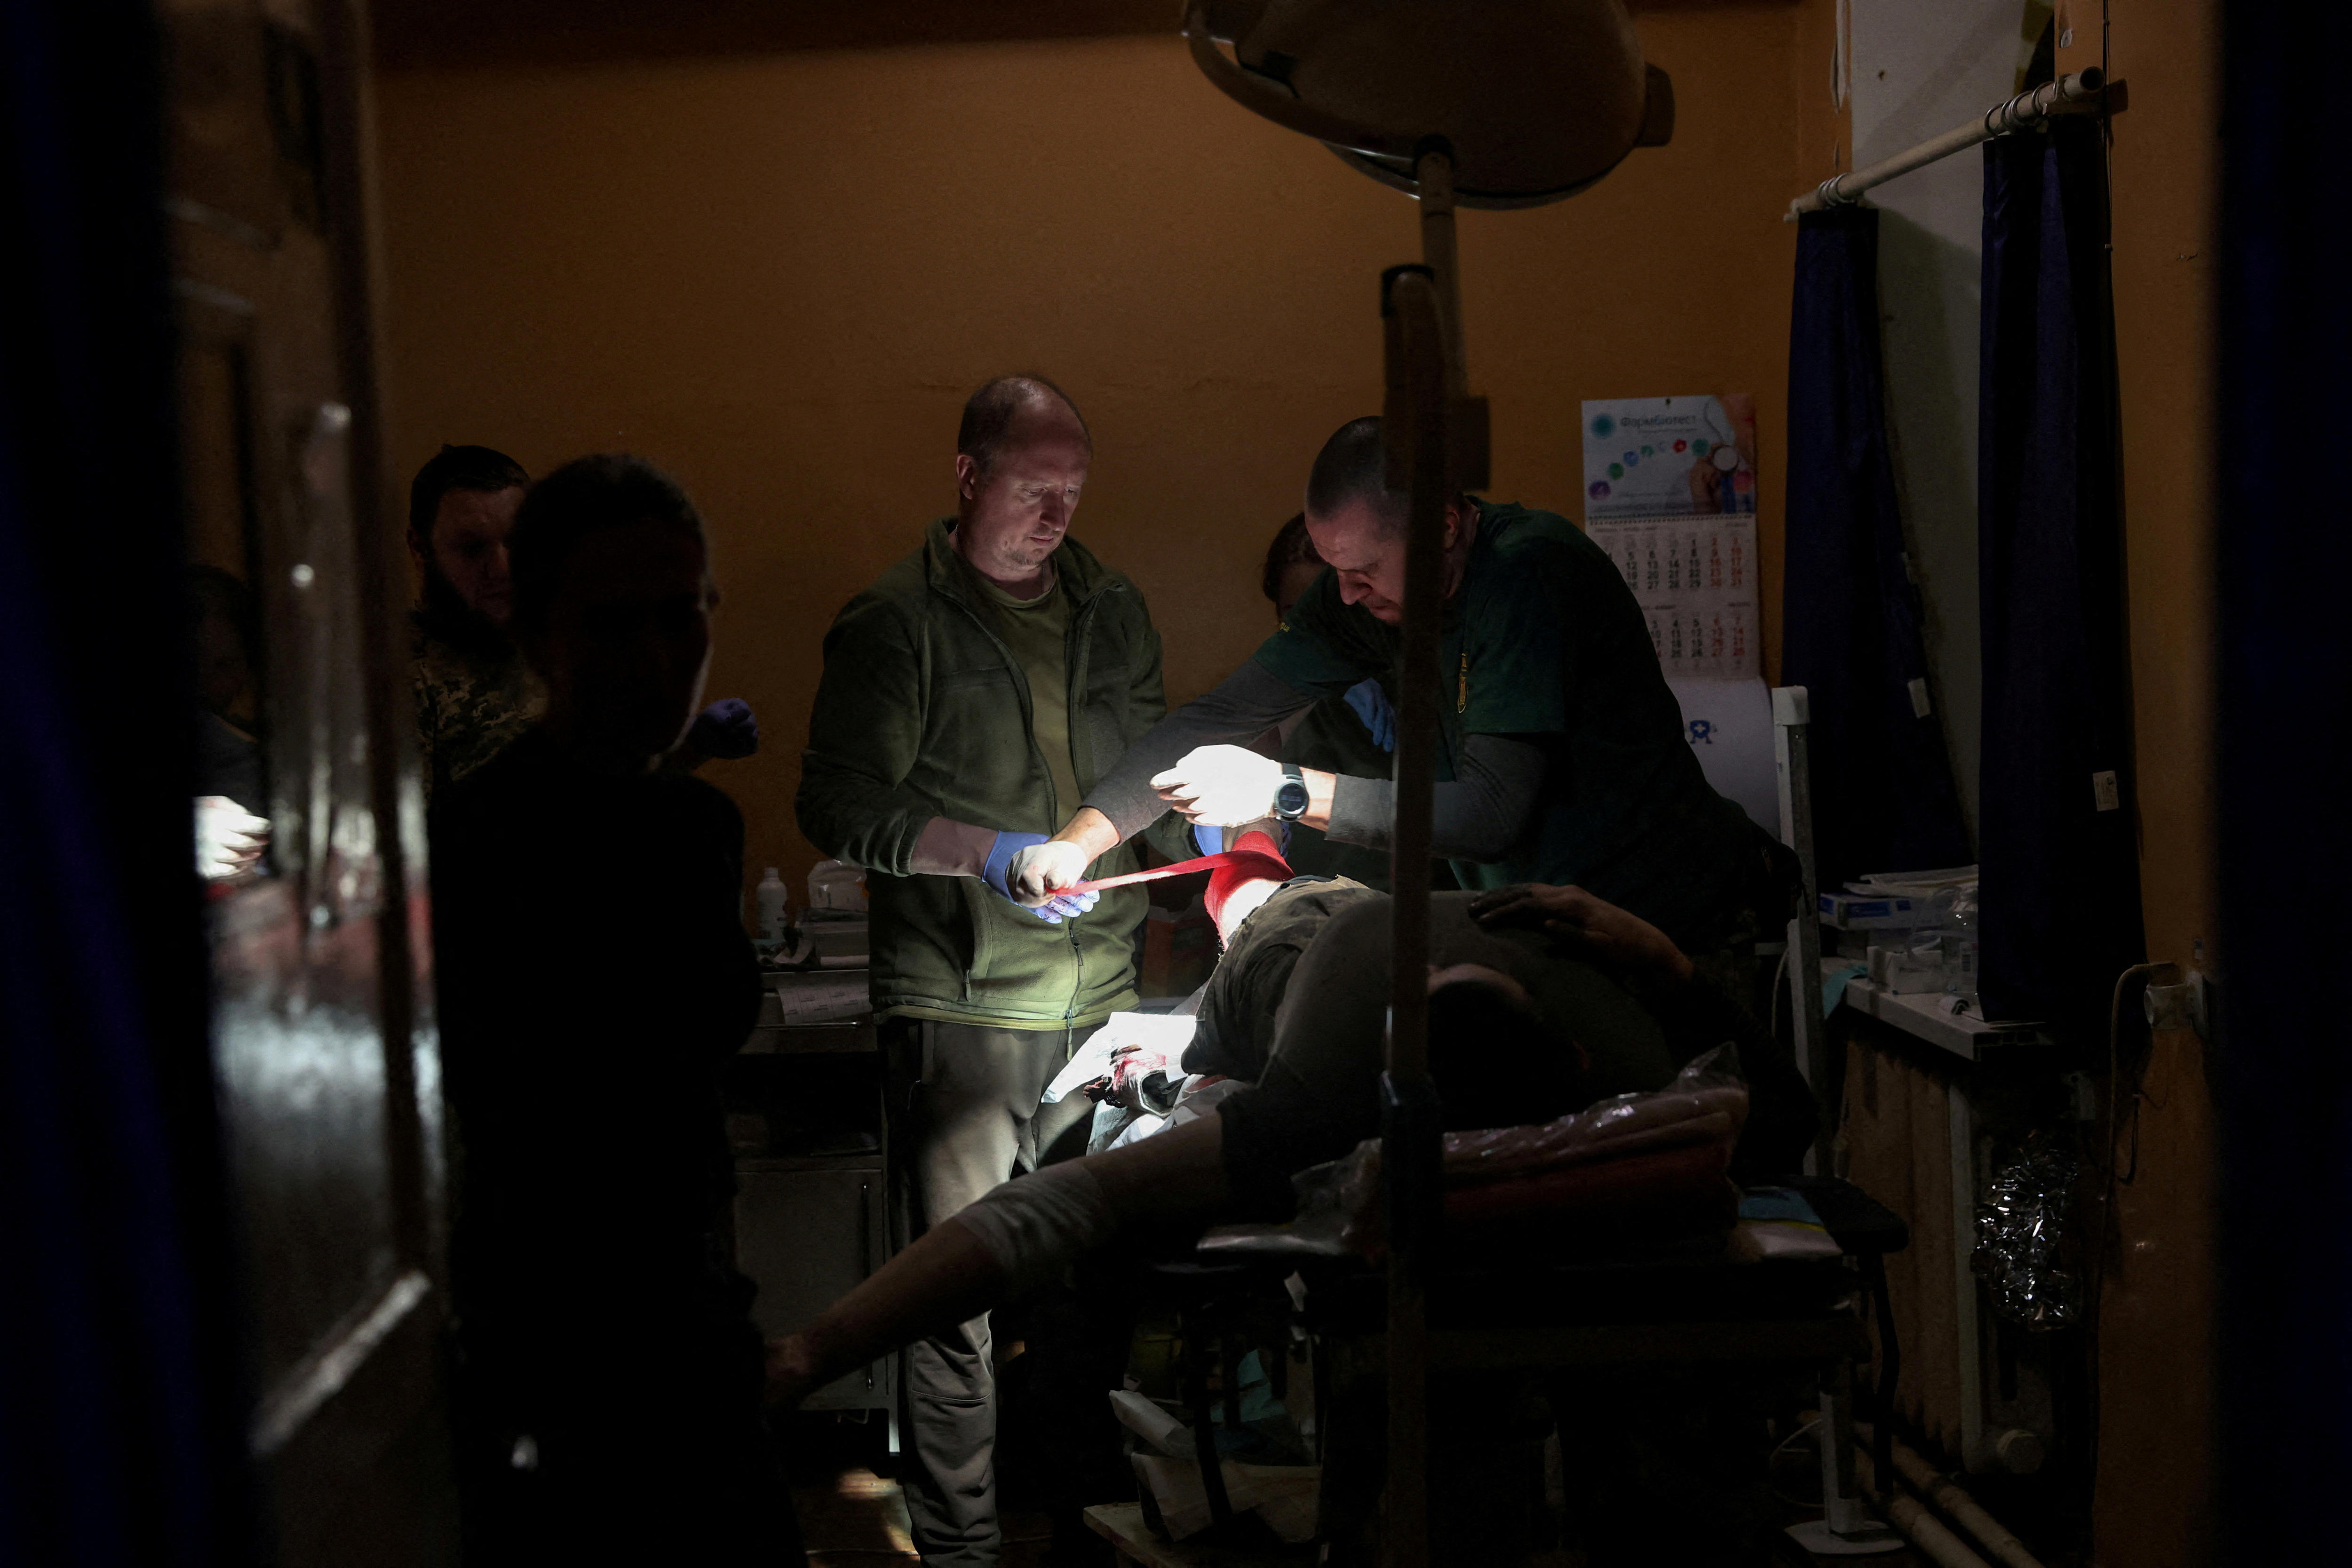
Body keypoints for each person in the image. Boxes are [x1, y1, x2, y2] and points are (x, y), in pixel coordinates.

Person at [764, 877, 1807, 1414]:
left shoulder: (1322, 1092)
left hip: (1285, 950)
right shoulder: (1623, 1038)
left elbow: (1052, 1206)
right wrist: (1667, 961)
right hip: (1305, 938)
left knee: (1258, 909)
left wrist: (815, 1349)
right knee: (1258, 902)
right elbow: (1791, 1117)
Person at [796, 374, 1181, 1566]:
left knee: (1081, 1302)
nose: (1057, 518)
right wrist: (985, 854)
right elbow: (836, 804)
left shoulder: (1111, 608)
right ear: (967, 478)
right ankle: (964, 1550)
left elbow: (1150, 769)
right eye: (1032, 490)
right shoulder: (895, 623)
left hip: (1099, 1002)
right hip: (961, 1003)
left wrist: (1215, 837)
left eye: (1073, 492)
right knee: (950, 1308)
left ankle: (1074, 1528)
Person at [1007, 415, 1777, 962]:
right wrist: (1080, 840)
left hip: (1670, 923)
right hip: (1544, 927)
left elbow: (1490, 813)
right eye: (1335, 569)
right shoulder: (1366, 593)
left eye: (1364, 570)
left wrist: (1282, 788)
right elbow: (1221, 715)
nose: (1344, 595)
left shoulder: (1529, 575)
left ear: (1443, 524)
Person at [431, 454, 802, 1564]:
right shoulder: (478, 838)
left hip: (689, 1324)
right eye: (611, 625)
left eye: (680, 616)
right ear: (540, 633)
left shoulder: (689, 825)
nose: (656, 660)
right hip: (556, 1354)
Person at [409, 443, 759, 801]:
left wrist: (690, 748)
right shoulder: (395, 677)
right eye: (472, 549)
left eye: (515, 543)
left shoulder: (573, 637)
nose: (502, 568)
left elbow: (601, 789)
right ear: (421, 549)